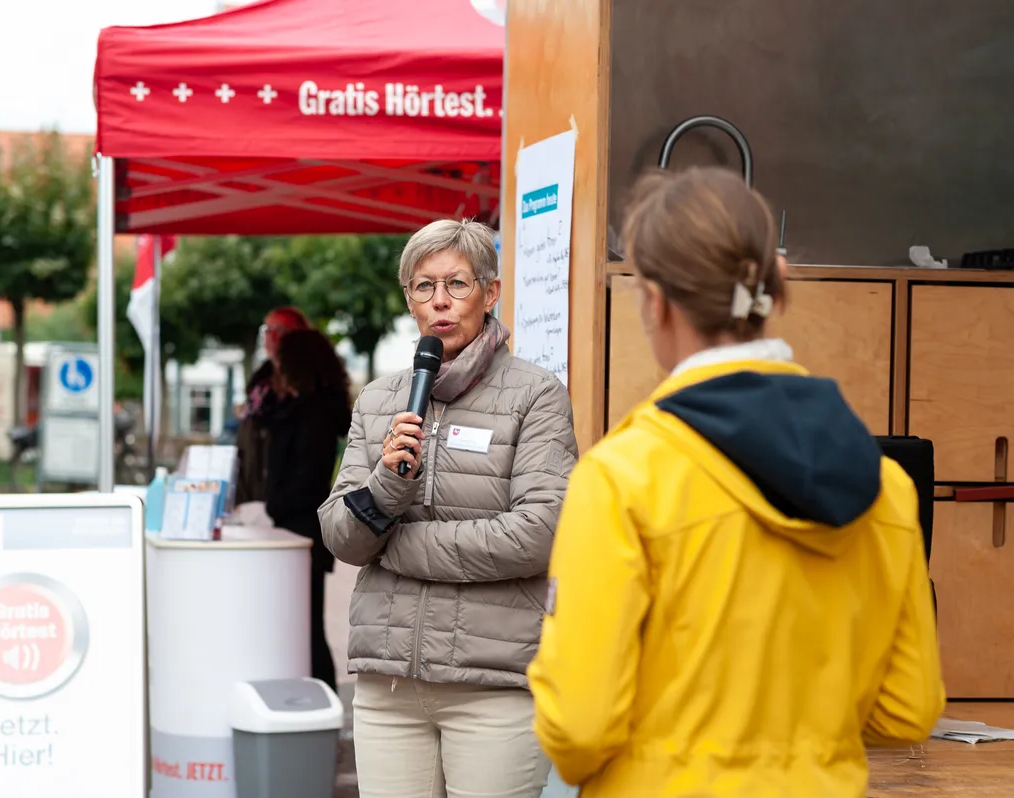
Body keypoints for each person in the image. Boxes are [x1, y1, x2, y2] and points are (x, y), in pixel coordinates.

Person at [527, 166, 945, 797]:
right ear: (773, 284)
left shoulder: (622, 476)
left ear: (656, 302)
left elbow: (579, 728)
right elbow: (907, 709)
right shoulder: (886, 486)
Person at [318, 219, 578, 798]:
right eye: (423, 286)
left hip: (494, 687)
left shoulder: (536, 395)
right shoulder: (379, 400)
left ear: (490, 293)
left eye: (457, 284)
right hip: (388, 686)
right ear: (408, 299)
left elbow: (541, 532)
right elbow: (340, 534)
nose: (440, 301)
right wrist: (386, 486)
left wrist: (398, 547)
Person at [264, 328, 353, 691]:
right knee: (304, 626)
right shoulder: (310, 409)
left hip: (301, 533)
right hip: (301, 531)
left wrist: (272, 504)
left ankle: (321, 701)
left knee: (306, 629)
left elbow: (307, 480)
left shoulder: (311, 413)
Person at [235, 306, 310, 504]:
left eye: (280, 330)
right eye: (268, 330)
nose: (272, 337)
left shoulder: (309, 388)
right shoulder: (260, 386)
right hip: (252, 492)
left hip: (290, 502)